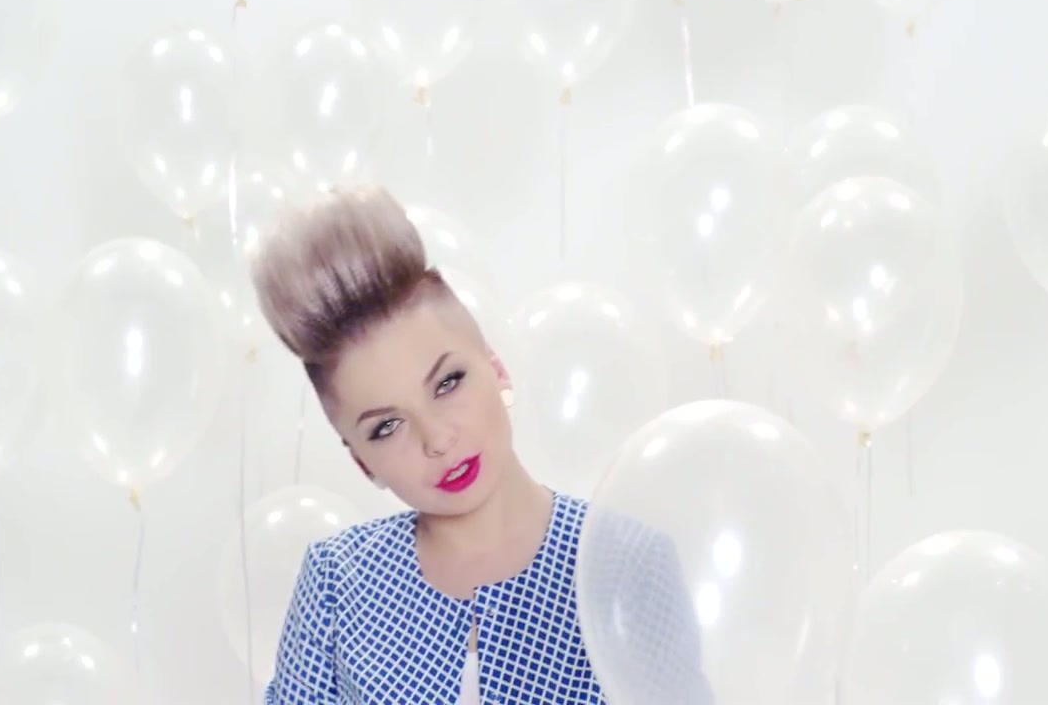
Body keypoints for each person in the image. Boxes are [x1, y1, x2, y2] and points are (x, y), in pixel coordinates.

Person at [249, 185, 708, 703]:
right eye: (387, 427)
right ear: (361, 461)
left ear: (497, 369)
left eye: (448, 383)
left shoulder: (625, 561)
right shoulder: (337, 581)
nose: (437, 439)